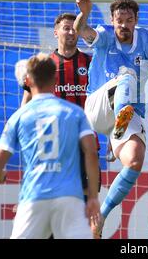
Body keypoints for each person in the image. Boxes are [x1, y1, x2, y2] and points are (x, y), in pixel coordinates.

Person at [73, 0, 148, 237]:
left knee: (135, 160)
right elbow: (81, 30)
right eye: (119, 20)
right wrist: (84, 13)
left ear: (136, 20)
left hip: (129, 111)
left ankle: (101, 216)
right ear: (112, 21)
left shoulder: (145, 39)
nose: (123, 25)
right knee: (127, 76)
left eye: (128, 20)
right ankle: (117, 126)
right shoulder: (104, 35)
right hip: (99, 106)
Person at [0, 53, 101, 239]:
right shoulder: (75, 113)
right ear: (55, 79)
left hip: (33, 199)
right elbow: (90, 153)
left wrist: (1, 176)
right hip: (69, 200)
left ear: (28, 80)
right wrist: (93, 197)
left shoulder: (19, 117)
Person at [16, 13, 101, 211]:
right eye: (66, 28)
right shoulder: (44, 65)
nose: (71, 32)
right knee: (54, 207)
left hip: (86, 145)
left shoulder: (92, 63)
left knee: (89, 207)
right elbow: (27, 102)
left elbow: (105, 103)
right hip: (53, 147)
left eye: (74, 28)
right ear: (56, 32)